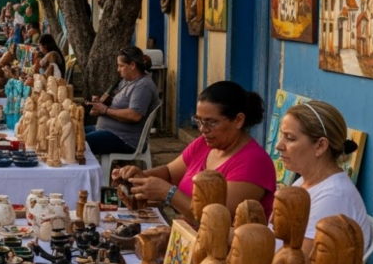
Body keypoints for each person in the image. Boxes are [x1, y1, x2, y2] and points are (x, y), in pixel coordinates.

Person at [116, 80, 276, 221]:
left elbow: (216, 220)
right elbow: (170, 173)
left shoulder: (254, 162)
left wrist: (168, 194)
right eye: (199, 121)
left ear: (238, 120)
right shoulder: (204, 144)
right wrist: (138, 178)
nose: (202, 129)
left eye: (211, 122)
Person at [273, 100, 370, 264]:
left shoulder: (334, 196)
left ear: (320, 146)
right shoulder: (303, 181)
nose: (279, 145)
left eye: (290, 138)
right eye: (282, 136)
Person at [85, 46, 159, 155]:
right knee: (71, 133)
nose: (118, 69)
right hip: (105, 129)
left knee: (77, 143)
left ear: (132, 65)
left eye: (121, 66)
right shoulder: (127, 81)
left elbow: (134, 115)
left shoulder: (143, 86)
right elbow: (121, 103)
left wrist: (105, 110)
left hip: (124, 138)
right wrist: (102, 104)